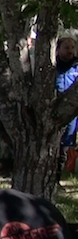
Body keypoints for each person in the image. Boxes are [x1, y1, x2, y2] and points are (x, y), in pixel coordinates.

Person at [55, 35, 78, 171]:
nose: (70, 50)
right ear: (58, 50)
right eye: (66, 48)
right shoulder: (52, 66)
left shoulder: (76, 66)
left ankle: (60, 172)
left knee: (66, 144)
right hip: (55, 108)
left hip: (72, 112)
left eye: (72, 47)